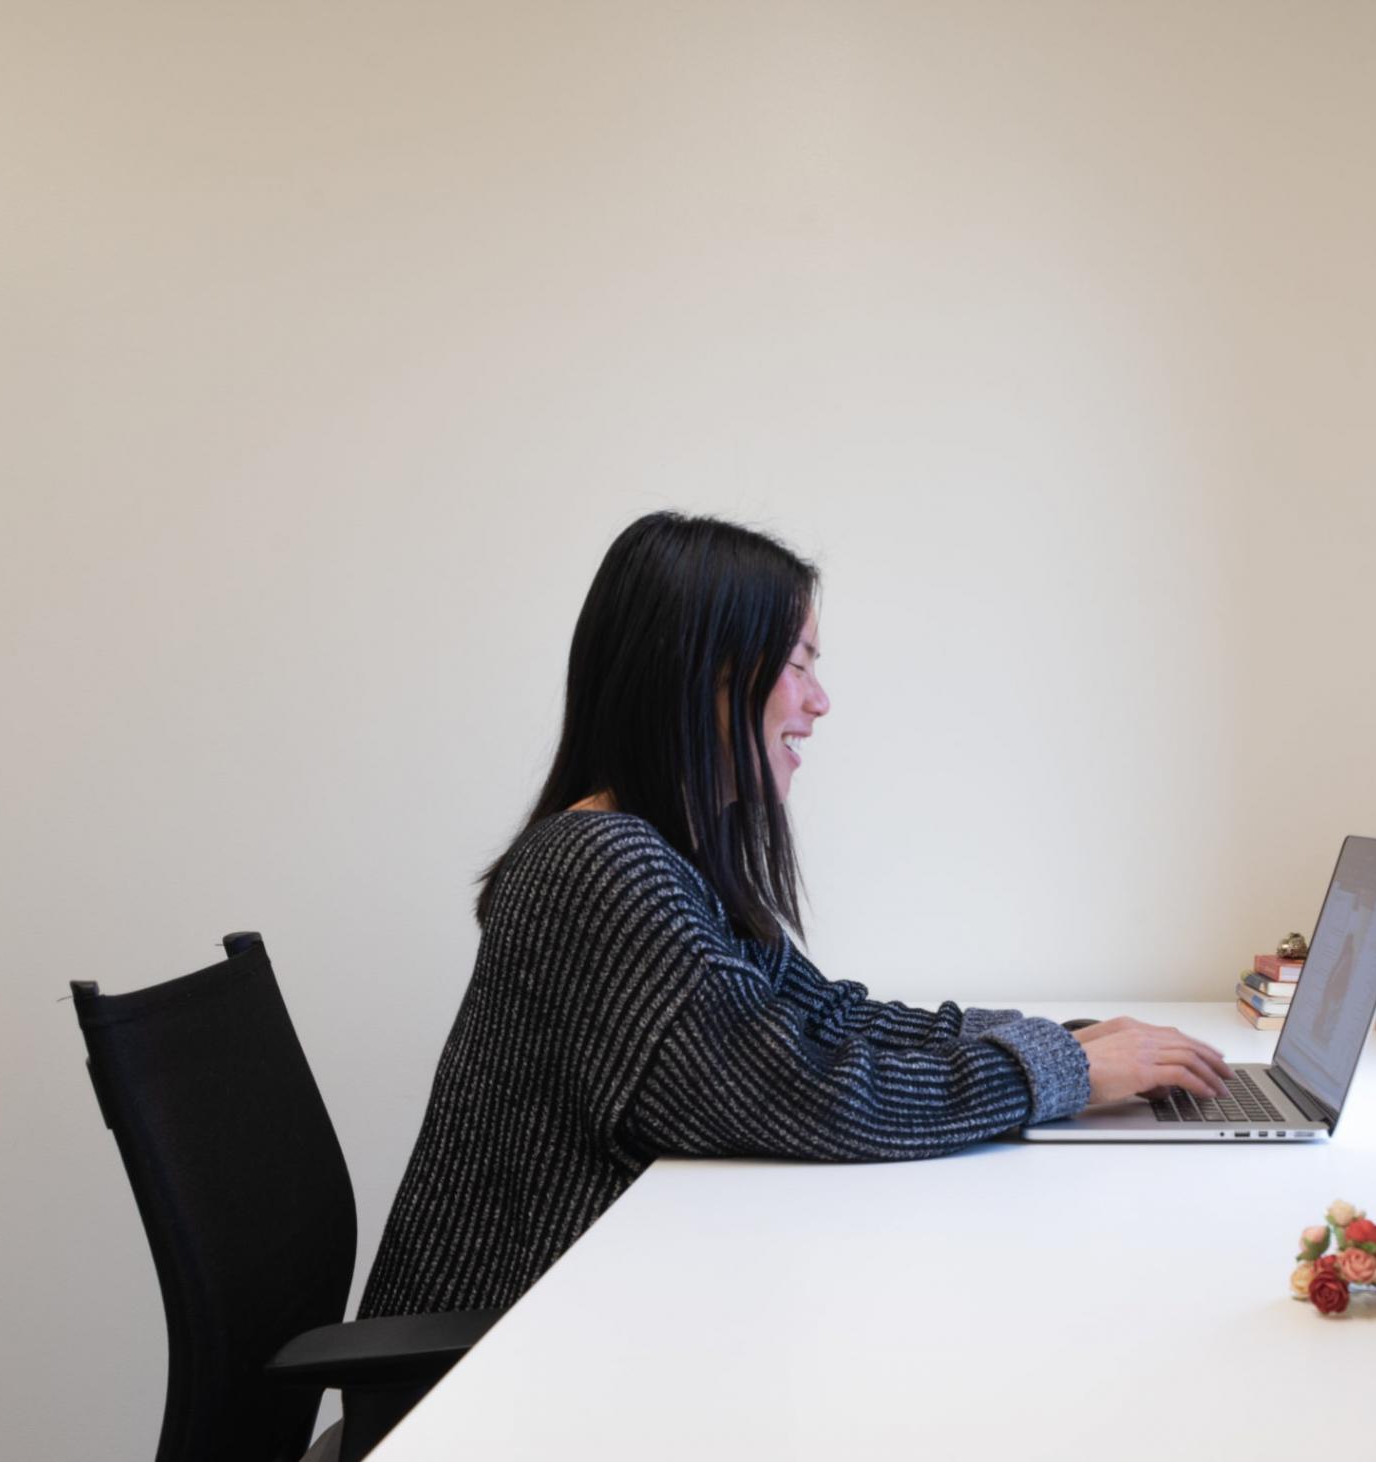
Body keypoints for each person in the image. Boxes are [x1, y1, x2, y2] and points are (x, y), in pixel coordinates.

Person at [361, 511, 1233, 1318]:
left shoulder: (663, 857)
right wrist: (1061, 1070)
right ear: (701, 673)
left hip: (581, 1329)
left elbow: (828, 1022)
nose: (819, 703)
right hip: (487, 1376)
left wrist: (1068, 1044)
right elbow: (813, 1095)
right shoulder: (604, 868)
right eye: (800, 662)